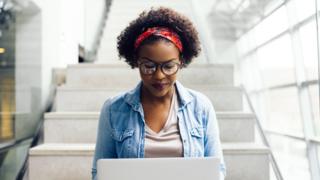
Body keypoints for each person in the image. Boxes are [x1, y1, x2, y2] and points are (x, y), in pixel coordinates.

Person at [92, 7, 226, 180]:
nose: (159, 75)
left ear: (181, 62)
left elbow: (218, 170)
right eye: (149, 66)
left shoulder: (201, 107)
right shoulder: (113, 109)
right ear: (136, 62)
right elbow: (100, 172)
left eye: (169, 66)